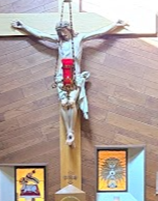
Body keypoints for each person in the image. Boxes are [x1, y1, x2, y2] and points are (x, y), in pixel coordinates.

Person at [11, 18, 127, 146]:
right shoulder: (59, 41)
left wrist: (115, 25)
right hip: (61, 76)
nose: (62, 34)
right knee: (63, 102)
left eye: (64, 31)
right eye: (60, 32)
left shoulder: (79, 38)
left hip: (75, 76)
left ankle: (71, 132)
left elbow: (98, 33)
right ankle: (69, 131)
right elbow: (40, 35)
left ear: (70, 29)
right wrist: (23, 26)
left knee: (71, 102)